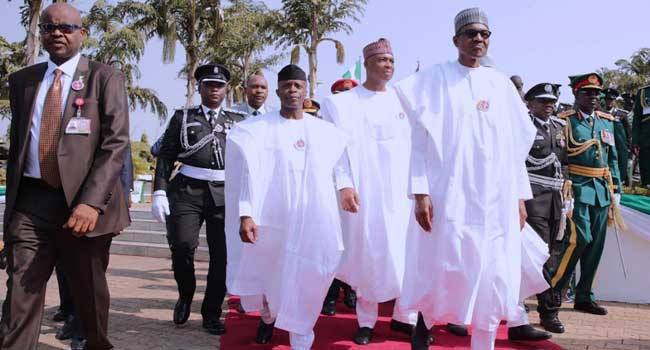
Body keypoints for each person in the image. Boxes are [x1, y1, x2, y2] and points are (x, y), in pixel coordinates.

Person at [394, 8, 542, 350]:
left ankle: (484, 342)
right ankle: (424, 321)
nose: (479, 39)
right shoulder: (434, 79)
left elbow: (514, 148)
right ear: (456, 40)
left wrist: (519, 197)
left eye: (485, 34)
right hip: (450, 191)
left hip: (495, 198)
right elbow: (420, 140)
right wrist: (420, 192)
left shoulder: (501, 84)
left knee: (493, 272)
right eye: (472, 34)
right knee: (443, 261)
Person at [0, 3, 130, 349]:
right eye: (49, 27)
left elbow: (115, 143)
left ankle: (97, 344)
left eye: (66, 27)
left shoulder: (105, 78)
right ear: (41, 33)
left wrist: (90, 202)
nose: (57, 33)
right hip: (31, 202)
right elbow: (17, 145)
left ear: (82, 34)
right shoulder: (23, 82)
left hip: (83, 207)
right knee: (20, 294)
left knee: (88, 295)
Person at [224, 64, 348, 350]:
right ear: (278, 90)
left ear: (306, 91)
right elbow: (248, 175)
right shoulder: (257, 130)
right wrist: (246, 213)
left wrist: (347, 188)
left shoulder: (326, 131)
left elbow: (340, 166)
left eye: (297, 85)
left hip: (313, 218)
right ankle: (269, 317)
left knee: (312, 271)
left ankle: (301, 332)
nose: (292, 90)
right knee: (273, 272)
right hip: (272, 219)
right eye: (287, 85)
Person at [321, 38, 419, 346]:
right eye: (382, 60)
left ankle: (407, 318)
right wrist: (344, 184)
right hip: (364, 191)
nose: (388, 65)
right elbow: (334, 150)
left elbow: (420, 148)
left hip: (401, 194)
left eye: (391, 60)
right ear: (367, 64)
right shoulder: (343, 103)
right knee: (367, 255)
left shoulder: (405, 100)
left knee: (406, 255)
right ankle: (366, 322)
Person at [151, 63, 247, 335]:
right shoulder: (183, 117)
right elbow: (167, 154)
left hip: (224, 192)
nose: (214, 89)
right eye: (209, 85)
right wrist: (159, 190)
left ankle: (211, 312)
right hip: (187, 191)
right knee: (181, 246)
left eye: (219, 85)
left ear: (227, 89)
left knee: (222, 256)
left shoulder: (237, 121)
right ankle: (185, 294)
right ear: (200, 88)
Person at [548, 73, 624, 331]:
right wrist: (563, 188)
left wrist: (616, 186)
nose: (593, 98)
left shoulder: (607, 122)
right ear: (576, 96)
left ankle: (584, 296)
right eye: (587, 93)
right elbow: (559, 156)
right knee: (578, 240)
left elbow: (613, 156)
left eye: (596, 94)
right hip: (577, 189)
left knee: (595, 247)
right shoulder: (564, 121)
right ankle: (554, 291)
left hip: (601, 190)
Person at [511, 83, 569, 338]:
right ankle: (548, 311)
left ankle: (543, 306)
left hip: (556, 197)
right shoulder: (523, 126)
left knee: (556, 251)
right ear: (530, 104)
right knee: (539, 253)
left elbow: (564, 162)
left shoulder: (558, 127)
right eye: (543, 101)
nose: (549, 105)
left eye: (551, 101)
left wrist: (568, 189)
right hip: (533, 197)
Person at [320, 77, 360, 317]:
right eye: (340, 92)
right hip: (330, 192)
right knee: (334, 245)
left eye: (349, 92)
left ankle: (352, 288)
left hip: (358, 191)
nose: (345, 96)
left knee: (355, 243)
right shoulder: (323, 124)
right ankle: (331, 295)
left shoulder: (360, 122)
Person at [603, 88, 632, 185]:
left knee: (620, 170)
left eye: (611, 100)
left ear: (614, 100)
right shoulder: (600, 113)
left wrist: (629, 150)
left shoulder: (622, 114)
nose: (609, 102)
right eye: (607, 99)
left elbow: (628, 133)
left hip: (620, 148)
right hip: (605, 147)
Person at [632, 85, 650, 186]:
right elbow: (636, 119)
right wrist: (635, 141)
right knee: (646, 175)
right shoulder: (644, 92)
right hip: (646, 140)